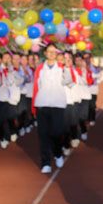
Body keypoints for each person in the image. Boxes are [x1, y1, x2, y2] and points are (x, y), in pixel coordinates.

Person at [32, 43, 73, 173]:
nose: (51, 54)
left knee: (57, 132)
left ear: (56, 54)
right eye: (49, 52)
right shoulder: (40, 69)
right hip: (42, 104)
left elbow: (69, 82)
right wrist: (33, 106)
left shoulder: (62, 68)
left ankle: (58, 153)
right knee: (43, 134)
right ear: (45, 53)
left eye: (53, 52)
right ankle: (46, 163)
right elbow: (36, 87)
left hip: (57, 105)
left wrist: (66, 67)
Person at [84, 52, 103, 127]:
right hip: (84, 89)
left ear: (91, 59)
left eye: (87, 58)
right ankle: (87, 118)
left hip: (93, 89)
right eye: (84, 58)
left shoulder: (95, 67)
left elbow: (100, 76)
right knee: (86, 105)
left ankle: (92, 119)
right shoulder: (82, 67)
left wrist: (96, 80)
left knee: (92, 105)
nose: (86, 59)